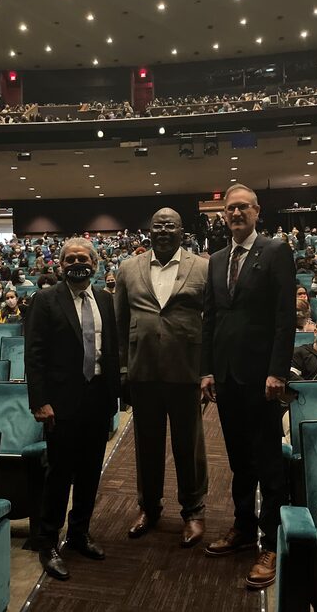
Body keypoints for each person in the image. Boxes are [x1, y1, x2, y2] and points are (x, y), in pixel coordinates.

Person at [200, 184, 295, 589]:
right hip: (226, 376)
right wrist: (206, 371)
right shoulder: (217, 259)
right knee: (238, 459)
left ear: (257, 211)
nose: (236, 214)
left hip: (261, 377)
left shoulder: (275, 251)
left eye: (243, 207)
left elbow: (284, 317)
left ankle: (270, 541)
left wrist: (277, 371)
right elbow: (211, 319)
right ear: (223, 216)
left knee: (269, 461)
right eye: (230, 209)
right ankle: (242, 527)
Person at [25, 237, 121, 581]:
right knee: (59, 473)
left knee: (90, 470)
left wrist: (115, 397)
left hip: (98, 398)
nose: (76, 262)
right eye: (70, 258)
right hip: (60, 402)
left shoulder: (107, 301)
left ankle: (79, 532)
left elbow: (111, 352)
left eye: (83, 258)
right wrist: (40, 401)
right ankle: (48, 541)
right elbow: (34, 356)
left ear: (95, 265)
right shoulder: (45, 300)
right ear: (60, 265)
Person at [115, 208, 209, 547]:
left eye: (171, 225)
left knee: (189, 446)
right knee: (147, 445)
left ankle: (193, 511)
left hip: (186, 370)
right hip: (143, 372)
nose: (164, 230)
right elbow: (120, 323)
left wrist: (207, 369)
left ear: (183, 231)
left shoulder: (203, 266)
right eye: (158, 225)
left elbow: (210, 320)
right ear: (149, 231)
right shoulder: (128, 267)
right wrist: (123, 369)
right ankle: (149, 507)